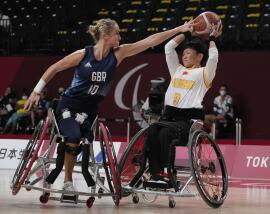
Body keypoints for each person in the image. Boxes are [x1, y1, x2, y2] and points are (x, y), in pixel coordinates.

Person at [24, 18, 193, 192]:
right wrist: (36, 91)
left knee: (83, 139)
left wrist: (181, 28)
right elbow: (54, 68)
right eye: (117, 33)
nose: (120, 36)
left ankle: (70, 166)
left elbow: (150, 41)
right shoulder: (83, 55)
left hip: (89, 110)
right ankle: (67, 181)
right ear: (105, 35)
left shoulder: (118, 54)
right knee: (73, 136)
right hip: (69, 105)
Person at [146, 21, 222, 183]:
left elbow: (214, 58)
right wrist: (186, 33)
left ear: (200, 56)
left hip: (187, 122)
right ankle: (154, 173)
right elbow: (168, 48)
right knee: (152, 130)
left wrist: (212, 39)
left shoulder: (203, 74)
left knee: (165, 133)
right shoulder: (177, 70)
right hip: (168, 118)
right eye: (184, 53)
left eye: (188, 53)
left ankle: (166, 172)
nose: (184, 55)